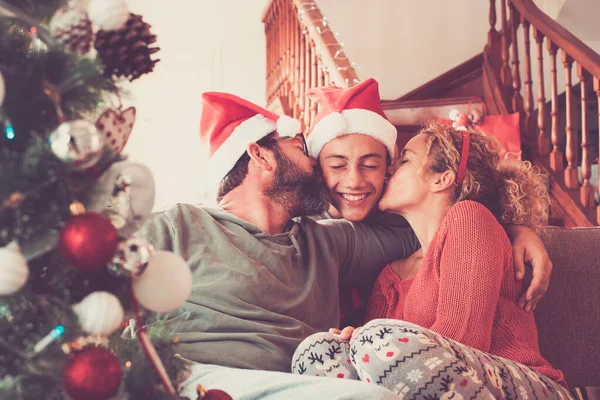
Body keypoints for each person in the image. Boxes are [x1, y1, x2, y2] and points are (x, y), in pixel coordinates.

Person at [139, 91, 420, 399]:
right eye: (300, 148)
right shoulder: (180, 224)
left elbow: (413, 230)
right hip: (192, 378)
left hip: (298, 383)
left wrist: (382, 179)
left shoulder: (327, 241)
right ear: (260, 155)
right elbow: (88, 273)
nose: (314, 162)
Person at [292, 121, 572, 399]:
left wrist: (375, 343)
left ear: (442, 178)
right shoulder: (391, 275)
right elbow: (379, 362)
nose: (389, 171)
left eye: (404, 161)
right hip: (434, 386)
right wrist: (356, 346)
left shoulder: (470, 219)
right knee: (318, 353)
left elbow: (463, 342)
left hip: (524, 386)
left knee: (373, 340)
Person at [305, 78, 554, 330]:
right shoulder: (387, 271)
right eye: (337, 166)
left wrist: (518, 229)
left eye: (372, 166)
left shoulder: (430, 224)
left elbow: (466, 225)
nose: (355, 181)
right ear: (316, 169)